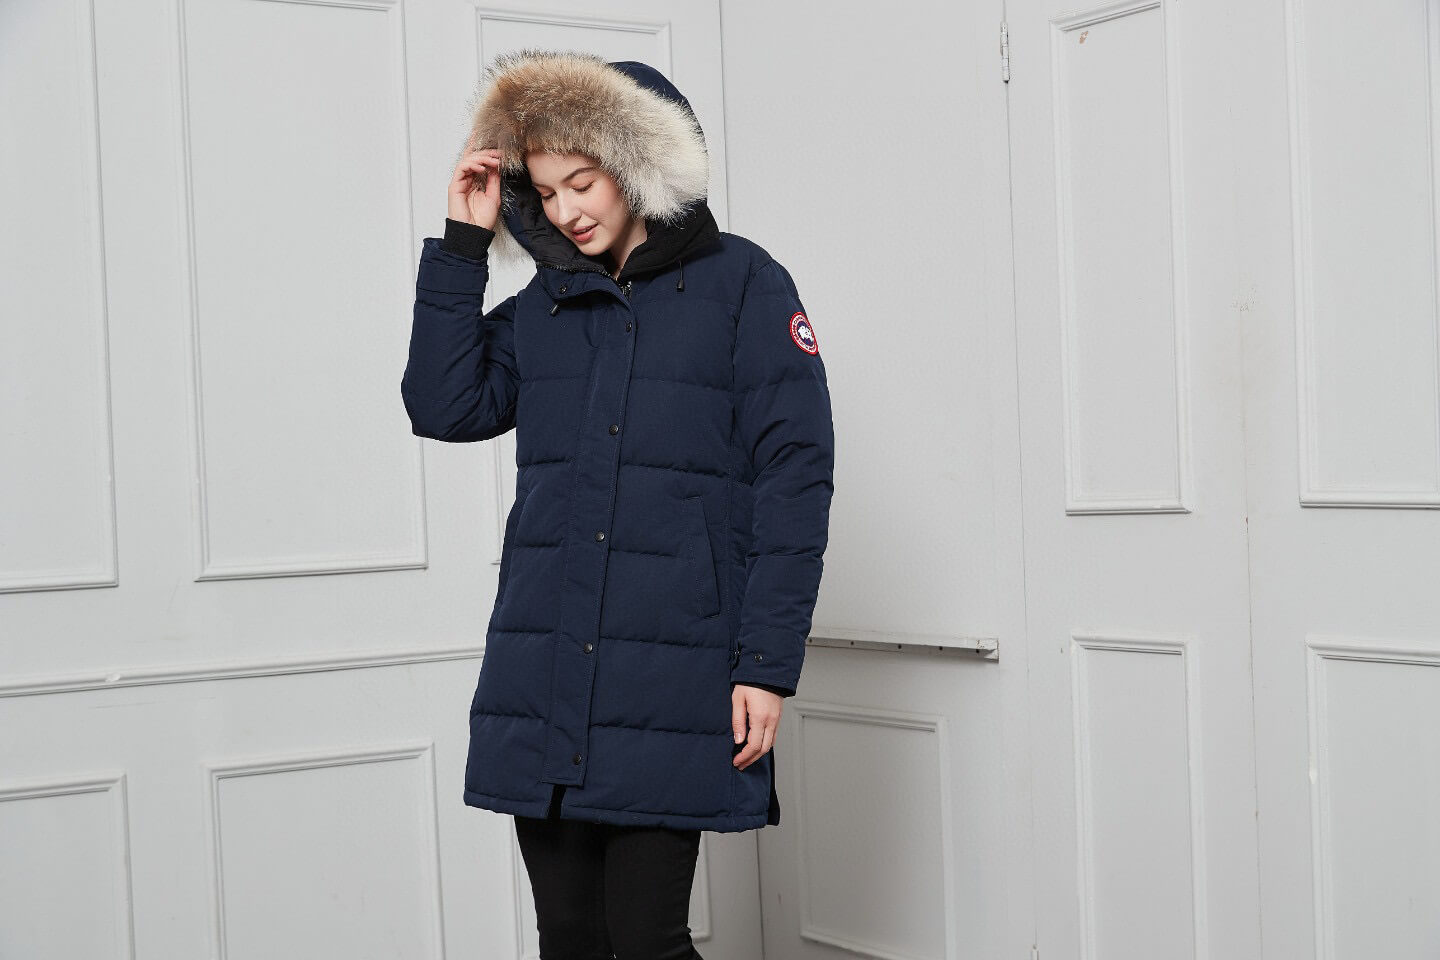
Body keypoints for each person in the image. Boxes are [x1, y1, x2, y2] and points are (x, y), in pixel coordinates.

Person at [400, 49, 835, 958]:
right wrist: (463, 247)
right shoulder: (544, 305)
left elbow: (794, 477)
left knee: (645, 941)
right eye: (546, 192)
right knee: (570, 937)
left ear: (636, 164)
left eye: (582, 183)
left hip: (672, 668)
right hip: (548, 665)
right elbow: (443, 406)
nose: (565, 211)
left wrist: (765, 663)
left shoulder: (744, 284)